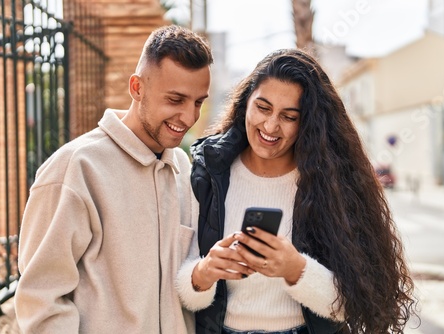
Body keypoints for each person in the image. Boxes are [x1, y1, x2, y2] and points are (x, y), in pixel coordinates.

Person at [176, 49, 417, 334]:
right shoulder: (208, 173)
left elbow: (353, 303)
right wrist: (203, 274)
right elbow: (181, 291)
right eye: (263, 108)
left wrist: (296, 269)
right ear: (245, 104)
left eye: (289, 116)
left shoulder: (331, 183)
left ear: (309, 123)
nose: (270, 125)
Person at [14, 25, 213, 333]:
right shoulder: (74, 168)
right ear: (137, 88)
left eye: (198, 102)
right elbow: (41, 300)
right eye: (175, 100)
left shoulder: (183, 169)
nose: (188, 117)